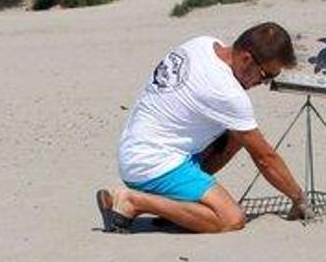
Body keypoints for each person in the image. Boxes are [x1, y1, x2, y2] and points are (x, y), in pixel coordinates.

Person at [96, 22, 310, 234]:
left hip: (134, 148)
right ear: (246, 59)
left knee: (237, 136)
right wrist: (298, 197)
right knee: (231, 218)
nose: (263, 83)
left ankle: (176, 205)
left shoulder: (203, 43)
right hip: (152, 164)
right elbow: (264, 158)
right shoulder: (228, 93)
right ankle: (133, 202)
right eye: (266, 75)